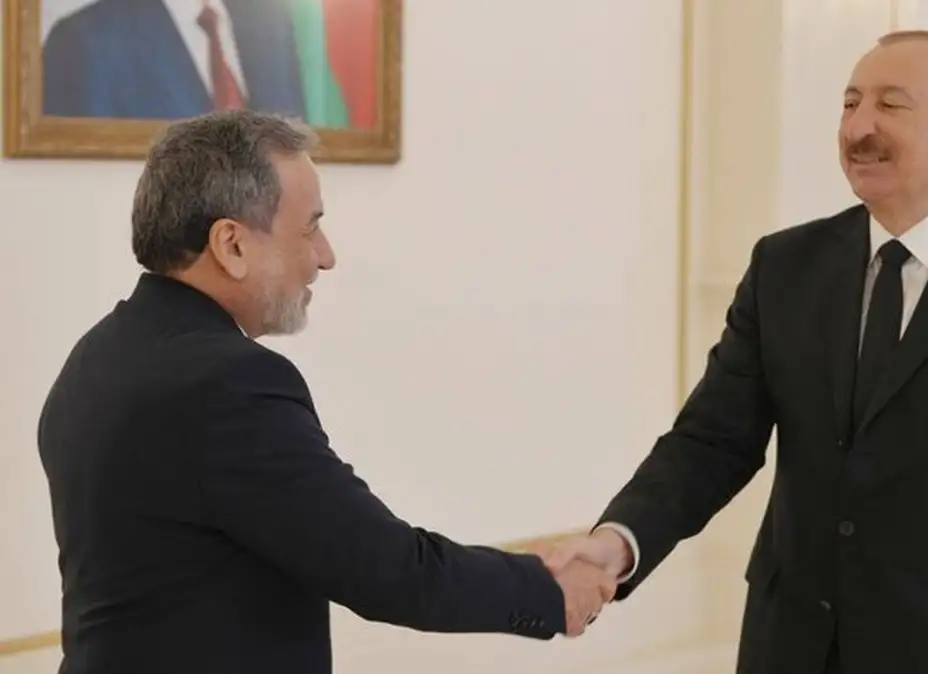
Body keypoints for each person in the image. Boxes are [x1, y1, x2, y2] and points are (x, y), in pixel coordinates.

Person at [545, 29, 928, 674]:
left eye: (891, 104)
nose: (859, 127)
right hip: (787, 648)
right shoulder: (784, 266)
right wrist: (617, 543)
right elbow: (711, 440)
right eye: (851, 103)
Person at [36, 110, 615, 674]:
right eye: (309, 228)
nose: (325, 256)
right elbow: (387, 571)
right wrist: (548, 591)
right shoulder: (226, 384)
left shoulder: (97, 356)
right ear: (231, 245)